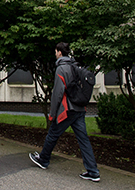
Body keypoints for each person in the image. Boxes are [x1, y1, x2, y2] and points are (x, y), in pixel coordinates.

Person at [29, 42, 101, 182]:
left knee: (53, 134)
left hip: (67, 110)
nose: (55, 54)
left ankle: (43, 160)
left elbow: (57, 93)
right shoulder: (75, 66)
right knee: (83, 140)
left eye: (56, 51)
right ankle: (93, 172)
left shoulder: (62, 68)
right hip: (79, 109)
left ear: (59, 52)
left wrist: (53, 113)